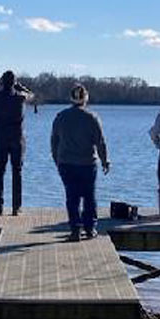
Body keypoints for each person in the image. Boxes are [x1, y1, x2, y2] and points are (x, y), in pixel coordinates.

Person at [51, 84, 110, 241]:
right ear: (86, 98)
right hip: (87, 163)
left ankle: (75, 230)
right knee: (89, 196)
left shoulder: (61, 116)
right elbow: (100, 142)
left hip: (66, 163)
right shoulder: (92, 117)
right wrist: (105, 161)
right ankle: (90, 229)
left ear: (71, 98)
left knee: (72, 196)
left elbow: (54, 141)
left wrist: (57, 160)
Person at [0, 70, 34, 216]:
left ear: (3, 82)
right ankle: (16, 208)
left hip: (0, 139)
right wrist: (20, 86)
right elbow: (32, 95)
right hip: (17, 139)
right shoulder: (21, 97)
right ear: (14, 83)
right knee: (17, 172)